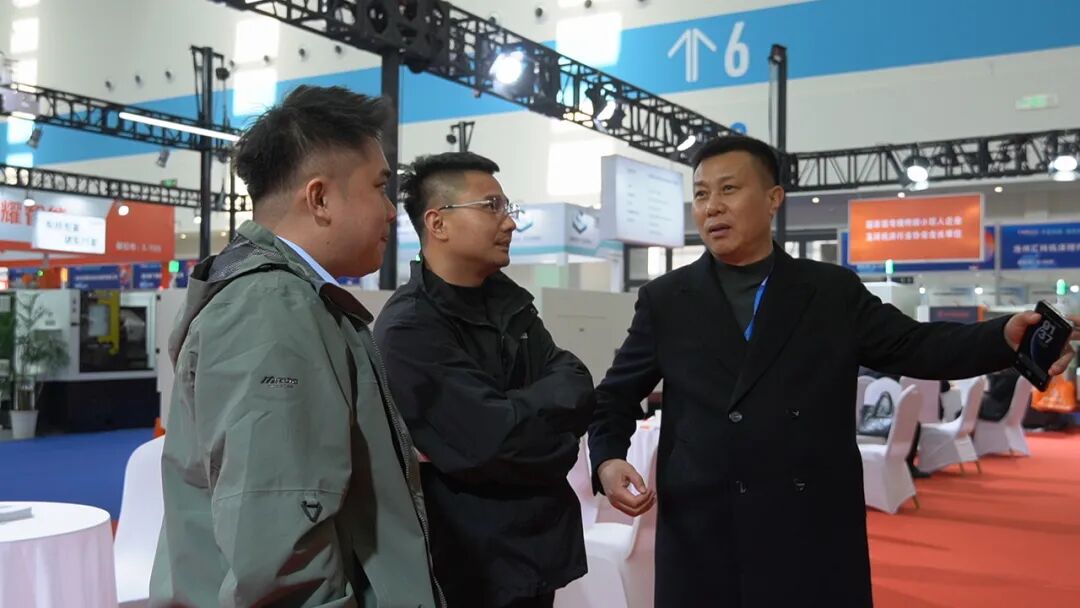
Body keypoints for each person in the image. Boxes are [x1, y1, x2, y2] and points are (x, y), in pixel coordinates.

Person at [587, 135, 1080, 607]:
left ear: (773, 199)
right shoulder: (667, 300)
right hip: (704, 527)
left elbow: (917, 346)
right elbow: (615, 394)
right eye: (700, 194)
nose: (712, 206)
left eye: (729, 189)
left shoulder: (829, 291)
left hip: (809, 524)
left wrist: (1002, 338)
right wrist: (608, 459)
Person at [150, 85, 441, 607]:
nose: (390, 212)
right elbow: (280, 558)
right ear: (320, 198)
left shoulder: (282, 297)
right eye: (380, 188)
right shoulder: (271, 306)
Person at [375, 152, 594, 608]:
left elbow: (576, 381)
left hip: (537, 554)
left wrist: (524, 420)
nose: (509, 222)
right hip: (466, 567)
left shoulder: (511, 304)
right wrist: (550, 431)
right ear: (438, 223)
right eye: (492, 206)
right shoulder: (410, 328)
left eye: (507, 208)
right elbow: (492, 443)